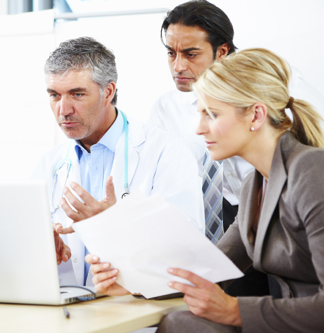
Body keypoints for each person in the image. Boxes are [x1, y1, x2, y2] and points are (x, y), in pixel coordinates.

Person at [88, 48, 324, 332]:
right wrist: (131, 281)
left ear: (256, 115)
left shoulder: (311, 171)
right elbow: (207, 272)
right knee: (179, 322)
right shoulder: (255, 185)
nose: (199, 129)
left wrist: (235, 311)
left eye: (211, 114)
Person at [32, 36, 203, 286]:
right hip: (70, 312)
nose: (63, 109)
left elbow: (187, 250)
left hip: (138, 313)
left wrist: (113, 225)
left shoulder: (166, 152)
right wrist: (38, 241)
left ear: (108, 92)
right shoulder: (49, 164)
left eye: (77, 94)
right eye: (54, 95)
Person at [147, 0, 274, 297]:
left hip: (270, 208)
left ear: (222, 51)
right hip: (213, 218)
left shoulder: (262, 95)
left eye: (191, 54)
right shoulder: (166, 108)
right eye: (171, 53)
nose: (178, 66)